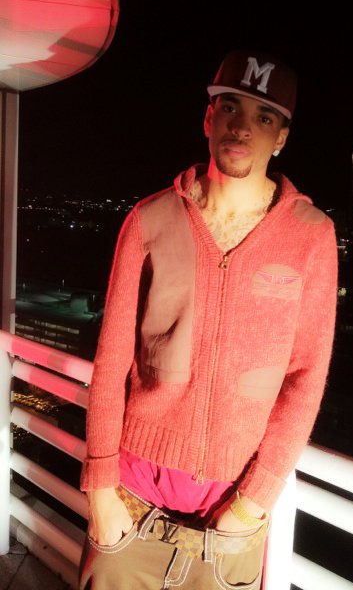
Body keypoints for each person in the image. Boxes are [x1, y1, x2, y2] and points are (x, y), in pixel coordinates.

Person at [78, 48, 338, 589]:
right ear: (208, 118)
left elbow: (305, 376)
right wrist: (100, 486)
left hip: (230, 520)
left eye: (264, 116)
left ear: (281, 137)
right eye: (231, 108)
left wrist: (254, 501)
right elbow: (112, 357)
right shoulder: (149, 219)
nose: (242, 127)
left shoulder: (311, 236)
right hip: (129, 500)